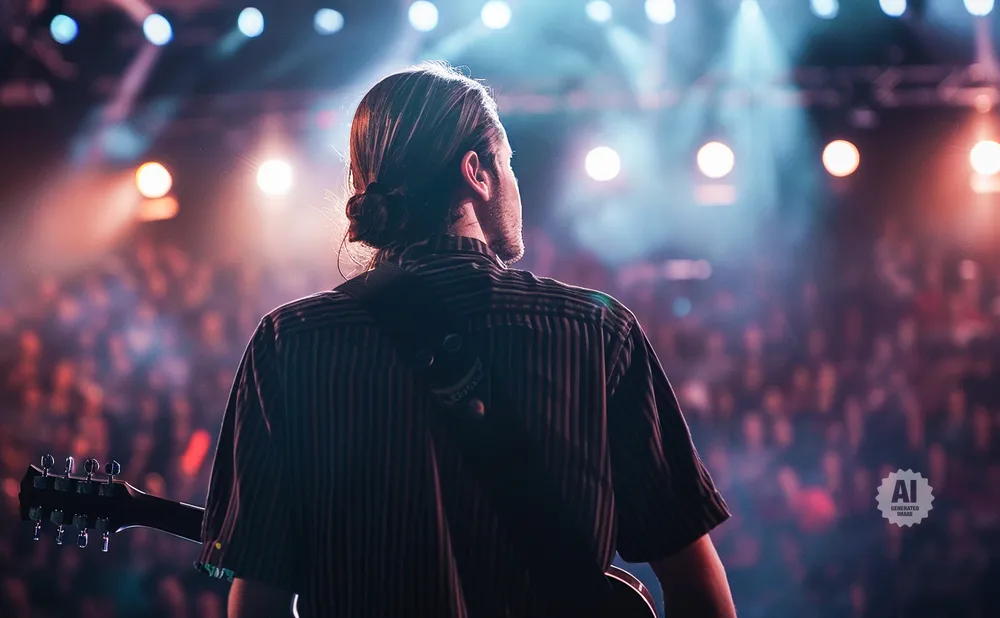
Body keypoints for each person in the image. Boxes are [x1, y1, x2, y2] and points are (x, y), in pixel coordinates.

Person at [197, 61, 737, 618]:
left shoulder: (289, 344)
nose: (515, 183)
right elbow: (698, 587)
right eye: (509, 164)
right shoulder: (599, 334)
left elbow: (256, 602)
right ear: (477, 172)